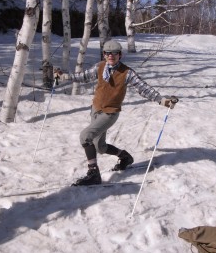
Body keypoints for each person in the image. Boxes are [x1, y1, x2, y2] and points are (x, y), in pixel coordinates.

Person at [54, 40, 178, 186]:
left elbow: (144, 88)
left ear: (120, 55)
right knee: (100, 147)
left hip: (110, 113)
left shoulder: (127, 73)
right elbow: (83, 76)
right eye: (107, 53)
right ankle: (124, 157)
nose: (110, 56)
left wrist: (162, 101)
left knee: (85, 136)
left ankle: (93, 173)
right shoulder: (100, 67)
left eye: (114, 53)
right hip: (95, 109)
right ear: (104, 54)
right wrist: (64, 76)